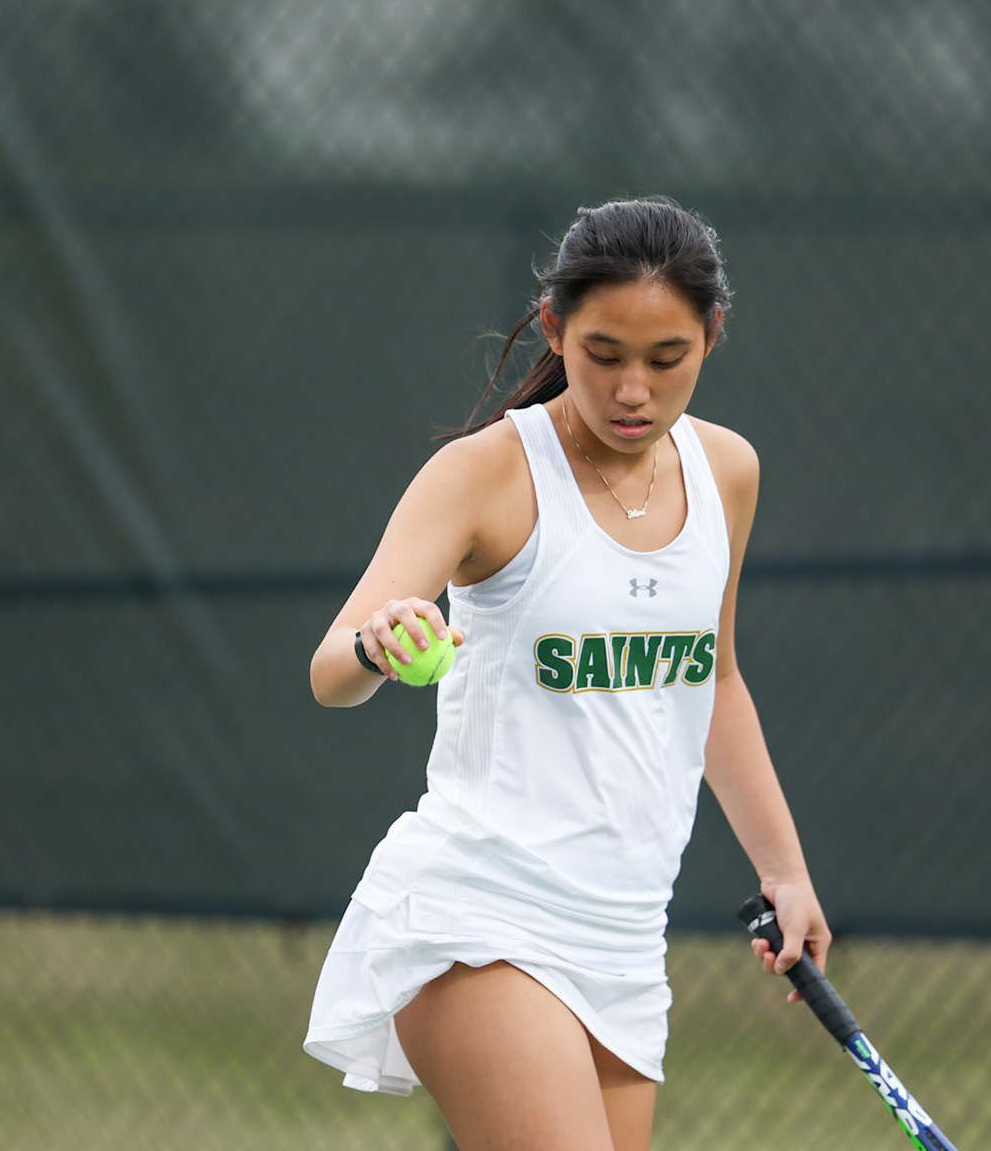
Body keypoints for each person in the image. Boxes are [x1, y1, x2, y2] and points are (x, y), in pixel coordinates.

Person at [303, 196, 830, 1151]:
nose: (634, 389)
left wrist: (785, 871)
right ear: (555, 328)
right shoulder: (486, 474)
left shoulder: (728, 472)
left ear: (711, 337)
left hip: (625, 939)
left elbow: (714, 680)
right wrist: (380, 641)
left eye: (667, 359)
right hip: (480, 912)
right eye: (604, 354)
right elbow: (331, 671)